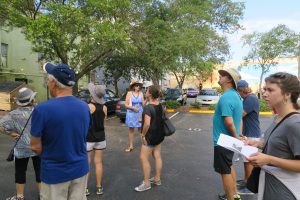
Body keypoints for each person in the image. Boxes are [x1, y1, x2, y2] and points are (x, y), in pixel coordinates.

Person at [30, 63, 90, 200]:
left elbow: (35, 146)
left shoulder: (42, 110)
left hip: (54, 173)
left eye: (48, 79)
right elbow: (82, 135)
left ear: (53, 83)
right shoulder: (84, 107)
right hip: (80, 170)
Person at [246, 72, 300, 200]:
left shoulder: (295, 124)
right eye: (264, 89)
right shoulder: (279, 118)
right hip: (270, 188)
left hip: (284, 191)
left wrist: (269, 160)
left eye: (270, 90)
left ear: (287, 94)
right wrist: (256, 143)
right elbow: (281, 144)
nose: (264, 94)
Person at [0, 87, 41, 200]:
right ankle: (42, 196)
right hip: (37, 147)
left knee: (20, 172)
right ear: (31, 100)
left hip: (21, 147)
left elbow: (1, 126)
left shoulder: (13, 114)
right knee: (39, 172)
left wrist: (10, 133)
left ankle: (19, 197)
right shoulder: (39, 111)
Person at [213, 68, 243, 200]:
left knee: (224, 171)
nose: (220, 76)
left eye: (223, 75)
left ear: (229, 79)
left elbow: (229, 122)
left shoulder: (227, 96)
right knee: (229, 166)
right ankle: (235, 194)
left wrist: (236, 137)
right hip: (229, 140)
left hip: (223, 141)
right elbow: (239, 118)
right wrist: (238, 135)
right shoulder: (236, 95)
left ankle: (231, 197)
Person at [134, 85, 164, 192]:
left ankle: (146, 183)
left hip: (150, 137)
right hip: (159, 135)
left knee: (143, 158)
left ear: (150, 93)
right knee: (157, 156)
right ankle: (157, 179)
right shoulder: (160, 105)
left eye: (147, 90)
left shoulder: (147, 108)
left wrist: (142, 135)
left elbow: (146, 124)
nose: (145, 91)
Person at [236, 80, 261, 195]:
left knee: (249, 162)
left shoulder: (250, 99)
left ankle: (249, 187)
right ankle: (246, 181)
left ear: (241, 90)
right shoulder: (248, 98)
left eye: (238, 92)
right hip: (249, 134)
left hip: (252, 135)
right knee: (247, 161)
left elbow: (241, 114)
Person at [85, 83, 107, 196]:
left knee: (87, 163)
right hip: (101, 138)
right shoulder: (104, 107)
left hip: (89, 138)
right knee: (98, 163)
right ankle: (99, 187)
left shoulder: (88, 107)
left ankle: (86, 188)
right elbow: (103, 123)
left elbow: (84, 123)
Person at [124, 80, 145, 152]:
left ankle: (145, 144)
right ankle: (131, 146)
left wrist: (148, 99)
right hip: (131, 113)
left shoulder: (141, 93)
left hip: (139, 113)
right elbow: (126, 105)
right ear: (133, 86)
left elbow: (143, 104)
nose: (138, 87)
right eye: (136, 85)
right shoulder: (129, 93)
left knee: (140, 129)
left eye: (139, 85)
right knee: (131, 130)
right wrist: (133, 108)